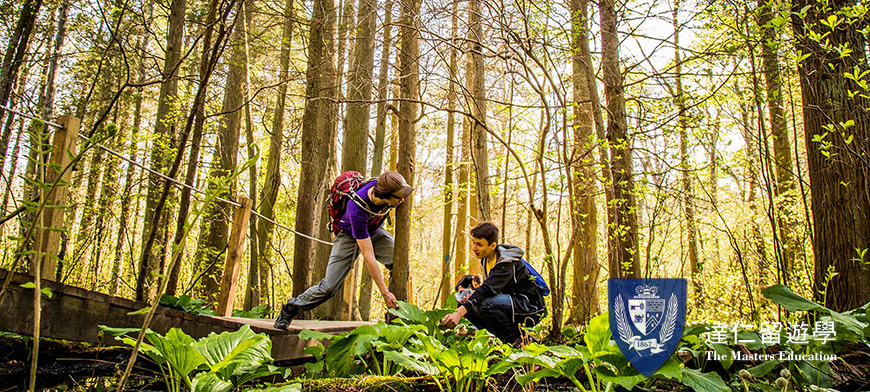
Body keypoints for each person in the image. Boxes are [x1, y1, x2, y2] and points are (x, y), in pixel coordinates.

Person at [273, 171, 414, 329]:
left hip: (373, 231)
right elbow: (369, 256)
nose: (402, 199)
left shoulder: (383, 184)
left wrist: (403, 168)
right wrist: (384, 293)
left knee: (400, 262)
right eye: (398, 196)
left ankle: (398, 318)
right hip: (348, 235)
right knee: (330, 287)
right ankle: (291, 308)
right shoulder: (357, 209)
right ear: (386, 195)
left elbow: (393, 180)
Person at [441, 222, 547, 346]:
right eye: (473, 243)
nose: (474, 248)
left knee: (484, 305)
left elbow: (487, 290)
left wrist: (459, 313)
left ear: (493, 245)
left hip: (529, 307)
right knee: (466, 305)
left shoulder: (506, 264)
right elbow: (491, 288)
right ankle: (512, 341)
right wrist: (469, 296)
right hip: (511, 303)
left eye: (479, 244)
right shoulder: (486, 259)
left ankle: (520, 342)